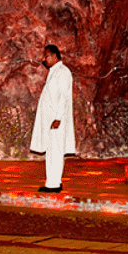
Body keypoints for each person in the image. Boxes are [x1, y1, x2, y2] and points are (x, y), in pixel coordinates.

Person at [29, 44, 74, 193]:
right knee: (51, 151)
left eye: (47, 56)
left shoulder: (63, 72)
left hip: (56, 121)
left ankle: (54, 184)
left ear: (55, 56)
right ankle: (52, 181)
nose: (44, 59)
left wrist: (58, 117)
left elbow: (64, 97)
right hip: (50, 120)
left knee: (55, 151)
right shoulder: (53, 72)